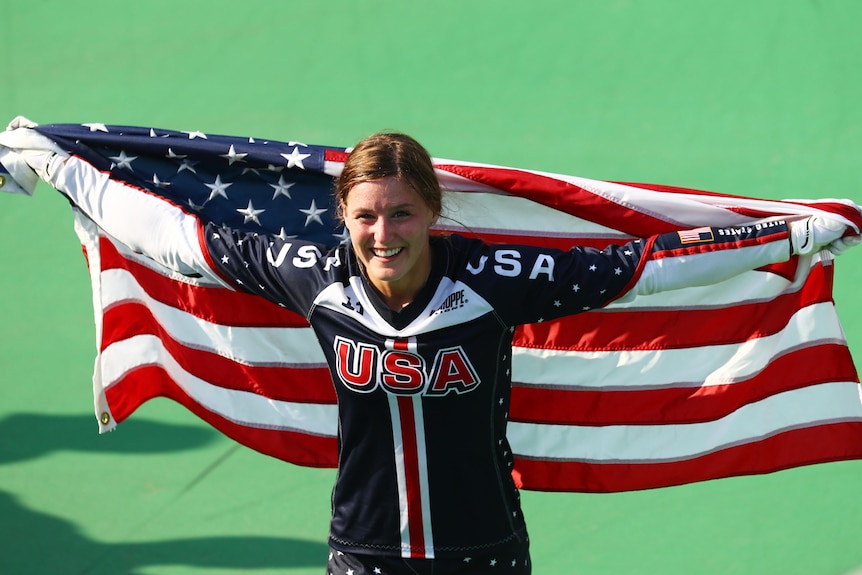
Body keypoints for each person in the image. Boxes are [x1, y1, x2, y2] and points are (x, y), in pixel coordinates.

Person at [3, 122, 859, 575]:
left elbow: (642, 269)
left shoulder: (499, 276)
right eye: (367, 214)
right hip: (363, 553)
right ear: (344, 216)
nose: (384, 232)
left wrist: (789, 234)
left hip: (484, 550)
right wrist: (58, 161)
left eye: (402, 212)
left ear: (434, 214)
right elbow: (177, 236)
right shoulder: (312, 272)